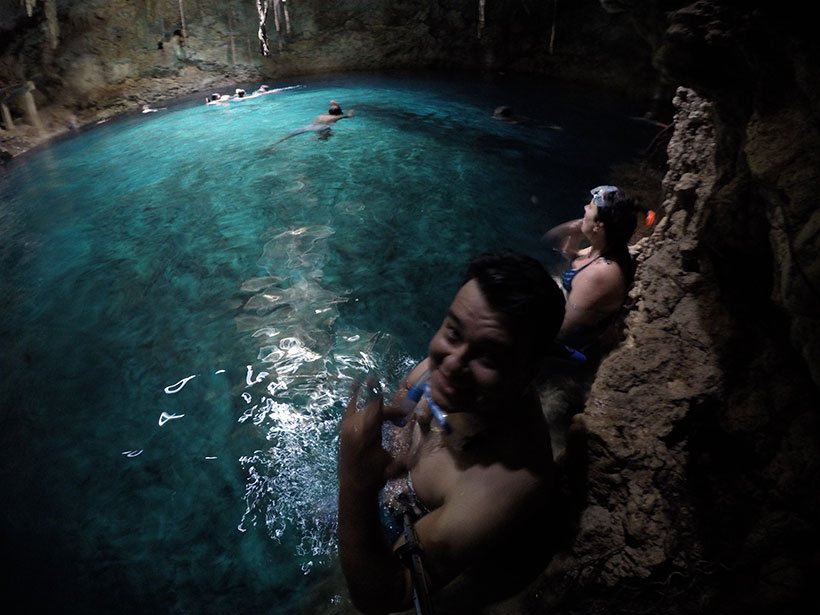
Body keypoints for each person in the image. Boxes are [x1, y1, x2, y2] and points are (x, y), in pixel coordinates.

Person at [338, 252, 566, 613]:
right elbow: (408, 390)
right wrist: (399, 435)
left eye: (488, 357)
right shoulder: (454, 363)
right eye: (453, 331)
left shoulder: (504, 485)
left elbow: (389, 595)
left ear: (529, 371)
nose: (452, 363)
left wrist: (354, 484)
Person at [542, 184, 655, 357]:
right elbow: (573, 256)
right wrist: (574, 233)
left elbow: (562, 331)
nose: (585, 207)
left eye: (590, 207)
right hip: (565, 308)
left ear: (598, 226)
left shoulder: (599, 275)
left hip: (568, 350)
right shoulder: (607, 248)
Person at [270, 101, 355, 146]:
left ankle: (275, 144)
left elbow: (335, 111)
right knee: (326, 135)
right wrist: (351, 111)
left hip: (309, 127)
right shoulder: (337, 117)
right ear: (339, 112)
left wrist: (336, 105)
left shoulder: (322, 115)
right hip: (322, 128)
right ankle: (307, 143)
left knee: (289, 135)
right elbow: (348, 116)